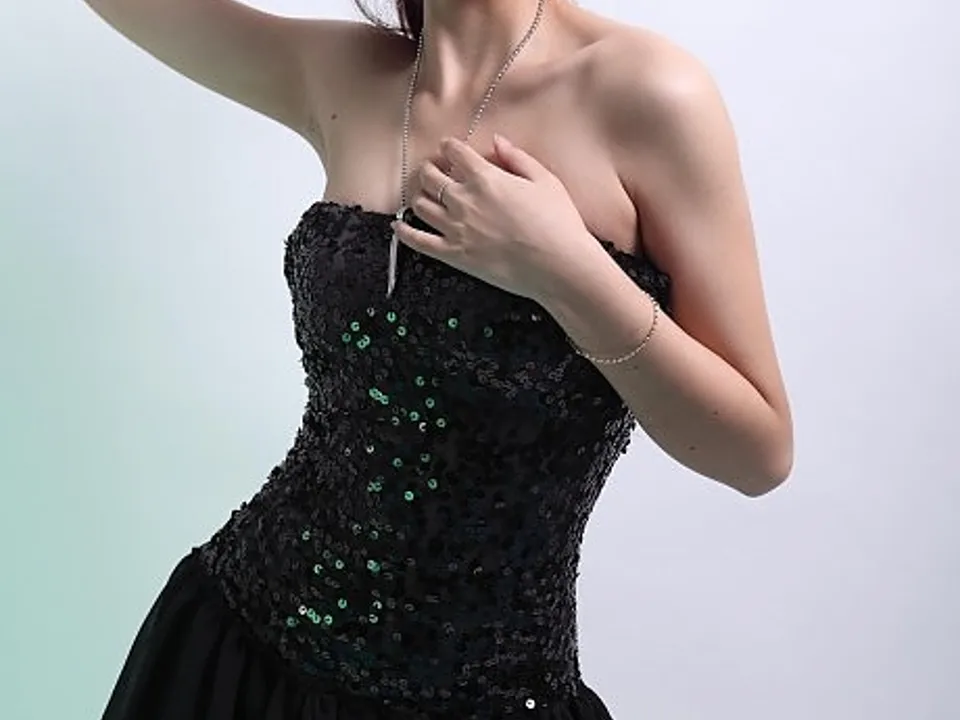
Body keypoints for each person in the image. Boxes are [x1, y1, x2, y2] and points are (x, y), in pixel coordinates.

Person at [86, 0, 794, 718]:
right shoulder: (345, 71)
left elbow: (757, 455)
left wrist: (569, 271)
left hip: (492, 697)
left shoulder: (647, 91)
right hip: (237, 654)